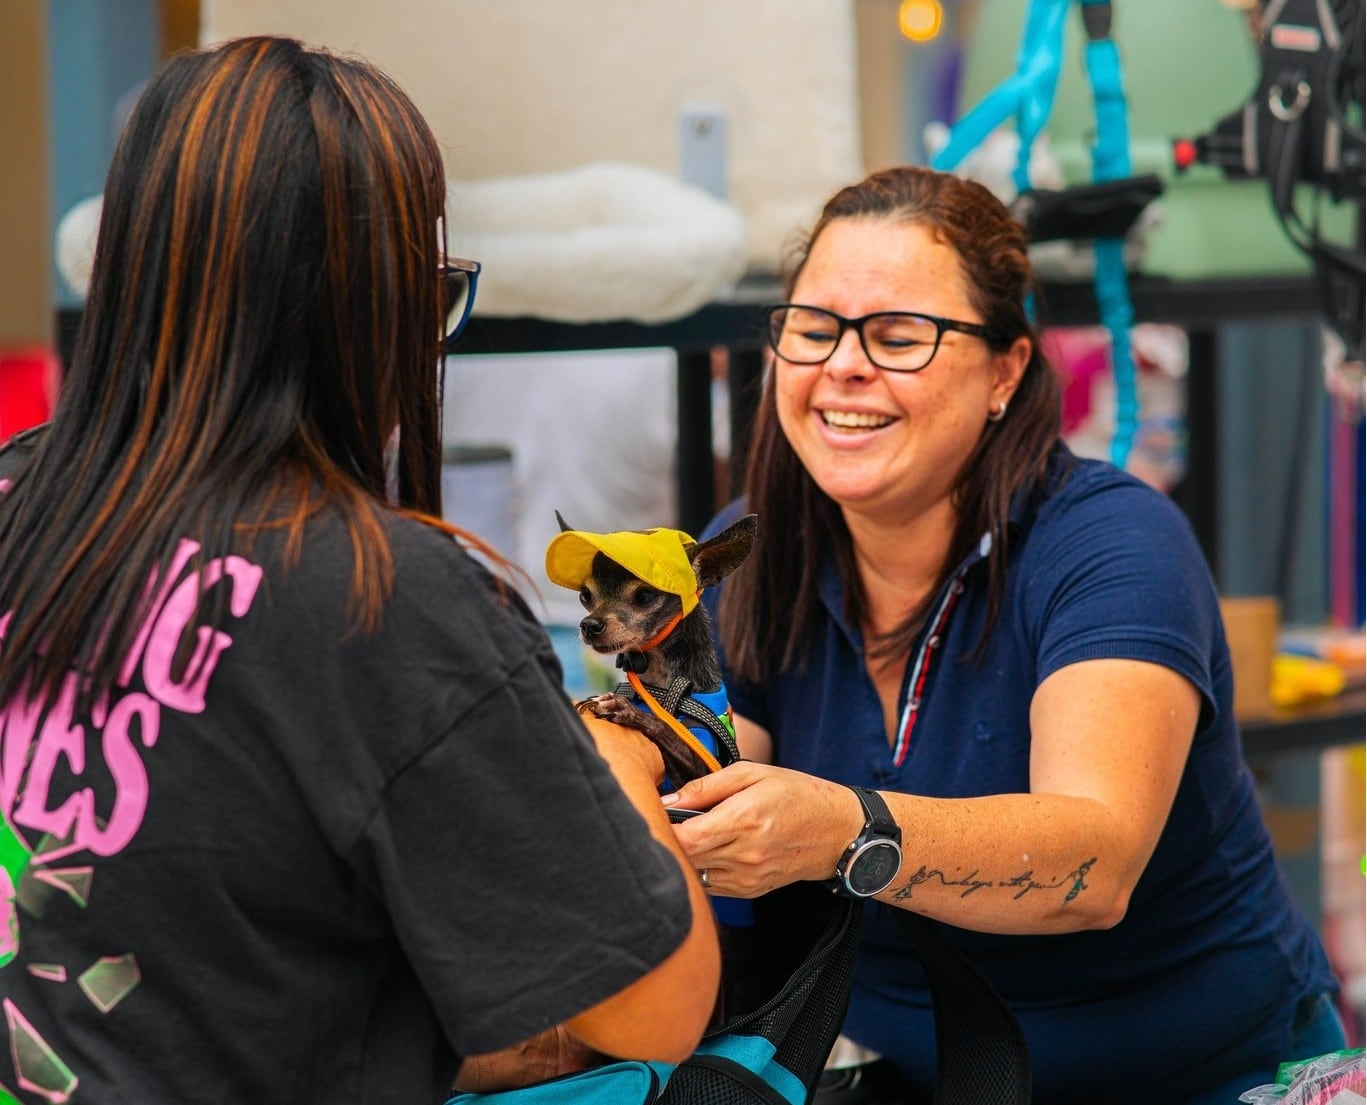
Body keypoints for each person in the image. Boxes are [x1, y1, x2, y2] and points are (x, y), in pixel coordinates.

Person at [0, 36, 718, 1105]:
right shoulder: (382, 596)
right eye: (425, 297)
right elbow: (654, 1007)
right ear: (368, 310)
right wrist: (613, 768)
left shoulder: (22, 492)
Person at [663, 165, 1345, 1105]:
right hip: (939, 1079)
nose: (842, 365)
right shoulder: (745, 552)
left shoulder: (1110, 542)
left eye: (898, 335)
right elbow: (698, 792)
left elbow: (1094, 861)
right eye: (813, 329)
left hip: (1214, 1076)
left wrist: (840, 829)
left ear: (1005, 371)